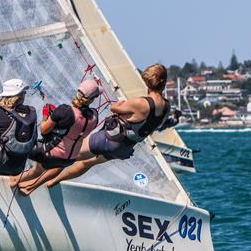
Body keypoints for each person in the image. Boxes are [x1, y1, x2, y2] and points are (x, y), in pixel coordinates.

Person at [45, 63, 180, 188]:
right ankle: (54, 182)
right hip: (123, 149)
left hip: (107, 140)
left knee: (68, 155)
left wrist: (121, 104)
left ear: (148, 82)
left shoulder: (141, 102)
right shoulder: (166, 107)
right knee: (87, 163)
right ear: (163, 83)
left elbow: (115, 108)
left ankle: (38, 180)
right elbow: (155, 126)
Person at [9, 79, 101, 196]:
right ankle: (22, 183)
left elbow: (43, 130)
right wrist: (57, 116)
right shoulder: (95, 116)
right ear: (92, 99)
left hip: (49, 153)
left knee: (17, 145)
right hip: (69, 160)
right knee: (44, 166)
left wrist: (46, 115)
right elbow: (74, 127)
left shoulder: (64, 110)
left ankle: (4, 175)